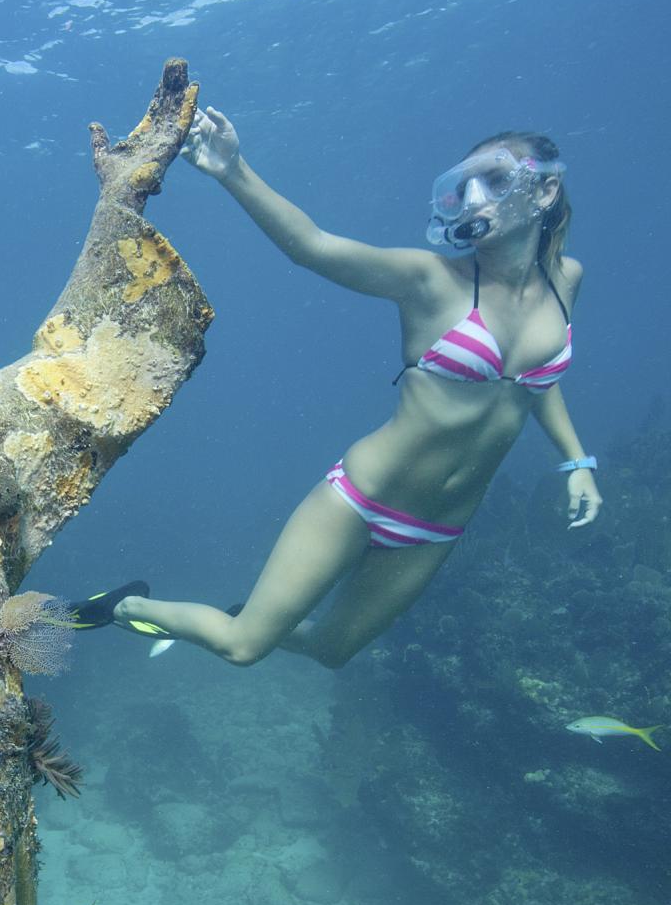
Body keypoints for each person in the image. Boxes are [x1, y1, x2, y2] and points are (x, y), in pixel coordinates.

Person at [80, 108, 599, 669]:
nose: (474, 199)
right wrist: (233, 170)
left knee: (332, 649)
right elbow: (314, 246)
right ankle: (124, 605)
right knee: (243, 646)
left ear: (546, 190)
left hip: (438, 525)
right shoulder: (432, 280)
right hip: (362, 497)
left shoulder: (565, 278)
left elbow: (534, 383)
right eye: (464, 186)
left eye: (494, 182)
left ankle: (256, 612)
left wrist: (578, 463)